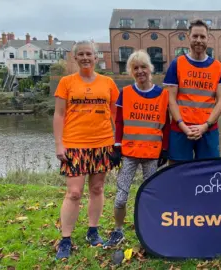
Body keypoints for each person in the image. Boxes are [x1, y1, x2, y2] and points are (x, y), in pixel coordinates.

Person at [53, 40, 120, 259]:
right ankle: (65, 239)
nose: (85, 57)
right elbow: (59, 114)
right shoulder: (66, 82)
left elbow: (115, 115)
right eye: (80, 54)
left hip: (102, 143)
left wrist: (118, 141)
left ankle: (93, 231)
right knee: (73, 193)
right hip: (74, 144)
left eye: (89, 54)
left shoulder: (108, 82)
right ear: (75, 57)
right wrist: (59, 144)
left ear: (96, 57)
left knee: (98, 189)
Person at [103, 50, 170, 248]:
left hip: (151, 154)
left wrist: (164, 149)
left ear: (150, 69)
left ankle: (153, 231)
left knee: (151, 195)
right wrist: (116, 147)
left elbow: (166, 125)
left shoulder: (162, 94)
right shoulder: (126, 93)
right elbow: (119, 122)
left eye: (143, 67)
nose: (140, 71)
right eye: (135, 68)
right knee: (121, 197)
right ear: (131, 71)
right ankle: (118, 231)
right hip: (130, 154)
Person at [163, 19, 221, 162]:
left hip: (208, 130)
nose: (199, 40)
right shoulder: (177, 64)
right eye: (195, 36)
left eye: (202, 37)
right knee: (177, 171)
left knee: (208, 172)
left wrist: (205, 126)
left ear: (208, 38)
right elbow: (171, 100)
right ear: (189, 37)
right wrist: (183, 126)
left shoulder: (218, 67)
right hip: (181, 129)